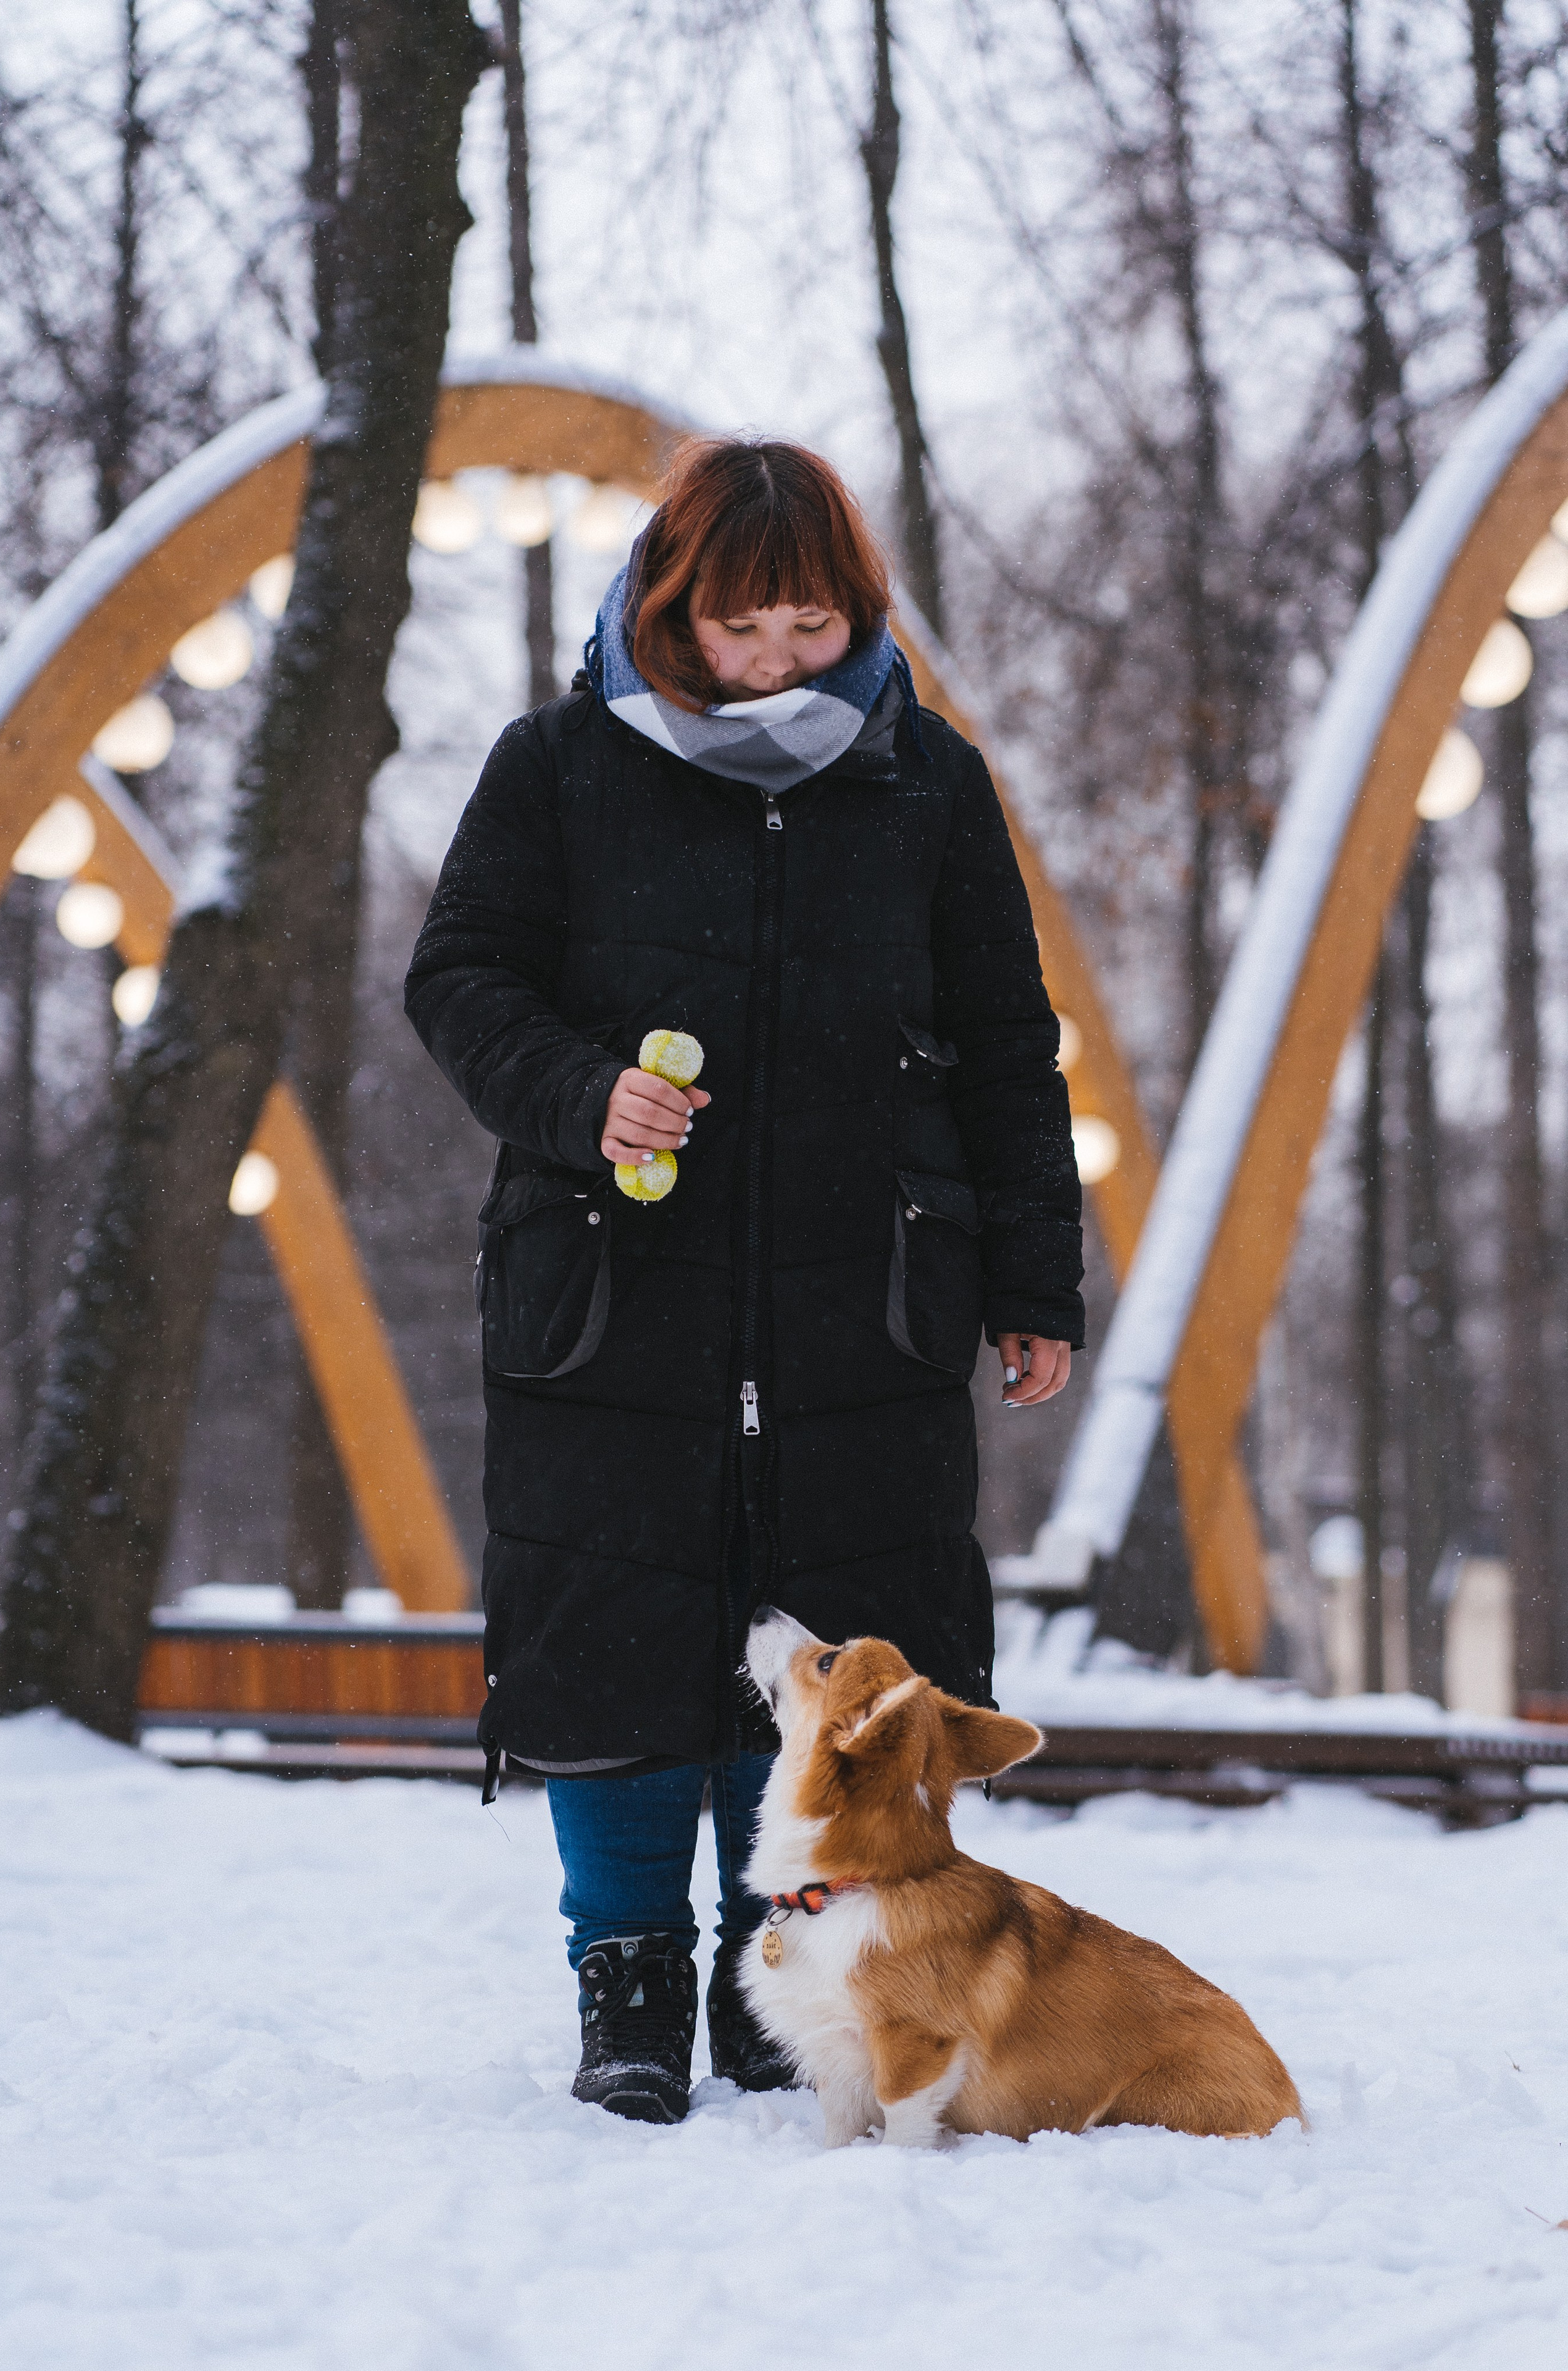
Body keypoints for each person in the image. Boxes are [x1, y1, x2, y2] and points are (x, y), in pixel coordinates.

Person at [405, 436, 1083, 2125]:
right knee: (623, 1621)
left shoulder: (925, 782)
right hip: (614, 1289)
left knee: (840, 1642)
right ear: (670, 606)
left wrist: (1034, 1281)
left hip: (868, 1301)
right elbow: (461, 979)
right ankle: (626, 1968)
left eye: (806, 627)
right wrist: (580, 1097)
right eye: (739, 630)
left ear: (852, 610)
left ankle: (758, 1953)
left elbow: (1009, 1046)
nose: (774, 663)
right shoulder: (560, 767)